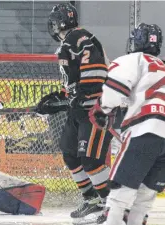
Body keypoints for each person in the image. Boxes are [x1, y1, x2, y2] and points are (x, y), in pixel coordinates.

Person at [88, 23, 165, 225]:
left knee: (119, 193)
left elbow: (115, 90)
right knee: (145, 197)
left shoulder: (131, 60)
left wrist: (102, 108)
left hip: (144, 130)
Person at [36, 3, 112, 221]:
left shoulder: (79, 38)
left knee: (91, 160)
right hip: (80, 110)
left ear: (61, 22)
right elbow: (73, 83)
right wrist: (58, 98)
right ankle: (92, 200)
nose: (51, 26)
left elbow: (96, 73)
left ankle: (111, 205)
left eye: (54, 22)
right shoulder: (67, 44)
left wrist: (83, 94)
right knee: (70, 153)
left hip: (94, 110)